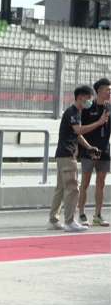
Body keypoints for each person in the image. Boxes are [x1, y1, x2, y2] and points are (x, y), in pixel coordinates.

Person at [48, 85, 104, 232]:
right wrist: (98, 123)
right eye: (89, 98)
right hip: (67, 154)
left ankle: (53, 219)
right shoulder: (73, 112)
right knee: (72, 188)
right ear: (81, 97)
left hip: (63, 154)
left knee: (60, 188)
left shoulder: (76, 112)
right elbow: (78, 130)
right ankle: (69, 221)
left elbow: (77, 135)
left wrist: (89, 147)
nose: (90, 102)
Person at [77, 78, 111, 227]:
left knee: (101, 183)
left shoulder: (110, 108)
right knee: (84, 183)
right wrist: (99, 122)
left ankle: (98, 215)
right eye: (107, 89)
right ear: (99, 91)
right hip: (88, 151)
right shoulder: (88, 108)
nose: (109, 92)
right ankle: (82, 214)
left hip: (104, 150)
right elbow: (79, 130)